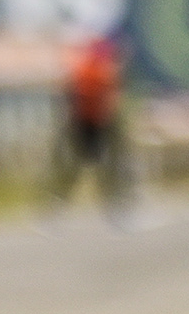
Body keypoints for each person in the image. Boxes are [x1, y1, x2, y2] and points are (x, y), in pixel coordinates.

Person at [49, 30, 129, 213]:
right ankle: (59, 201)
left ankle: (115, 202)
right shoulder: (93, 71)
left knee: (106, 165)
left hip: (98, 122)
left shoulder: (99, 71)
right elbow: (72, 95)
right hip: (86, 122)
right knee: (78, 164)